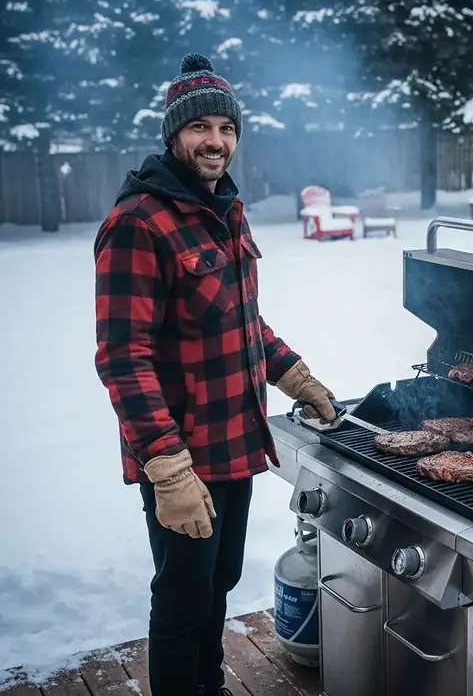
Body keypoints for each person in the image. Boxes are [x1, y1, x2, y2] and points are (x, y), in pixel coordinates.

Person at [93, 52, 337, 696]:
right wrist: (167, 468)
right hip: (182, 453)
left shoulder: (224, 209)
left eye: (226, 129)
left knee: (219, 581)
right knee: (181, 597)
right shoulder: (137, 223)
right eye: (201, 127)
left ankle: (208, 684)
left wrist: (298, 377)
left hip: (236, 441)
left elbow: (242, 320)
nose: (216, 141)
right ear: (174, 135)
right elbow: (122, 357)